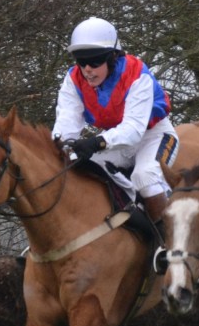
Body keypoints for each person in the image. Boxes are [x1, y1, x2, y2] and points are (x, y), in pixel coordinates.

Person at [51, 16, 179, 232]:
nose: (87, 69)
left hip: (154, 136)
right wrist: (59, 147)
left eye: (94, 61)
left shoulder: (136, 73)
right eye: (81, 62)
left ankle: (170, 244)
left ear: (111, 57)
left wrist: (97, 142)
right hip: (114, 141)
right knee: (80, 170)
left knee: (144, 176)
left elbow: (133, 130)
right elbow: (67, 121)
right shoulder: (73, 80)